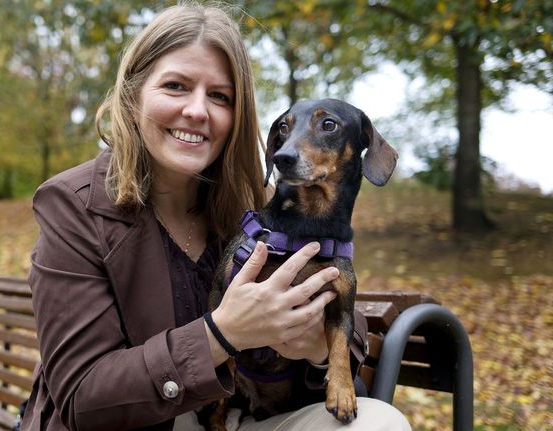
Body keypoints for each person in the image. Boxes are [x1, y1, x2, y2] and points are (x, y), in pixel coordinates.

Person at [20, 3, 411, 430]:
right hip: (134, 424)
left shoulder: (255, 203)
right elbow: (83, 398)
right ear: (132, 98)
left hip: (239, 414)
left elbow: (341, 304)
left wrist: (316, 346)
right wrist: (221, 334)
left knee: (379, 423)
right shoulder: (74, 205)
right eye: (175, 86)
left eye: (219, 96)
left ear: (236, 116)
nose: (197, 111)